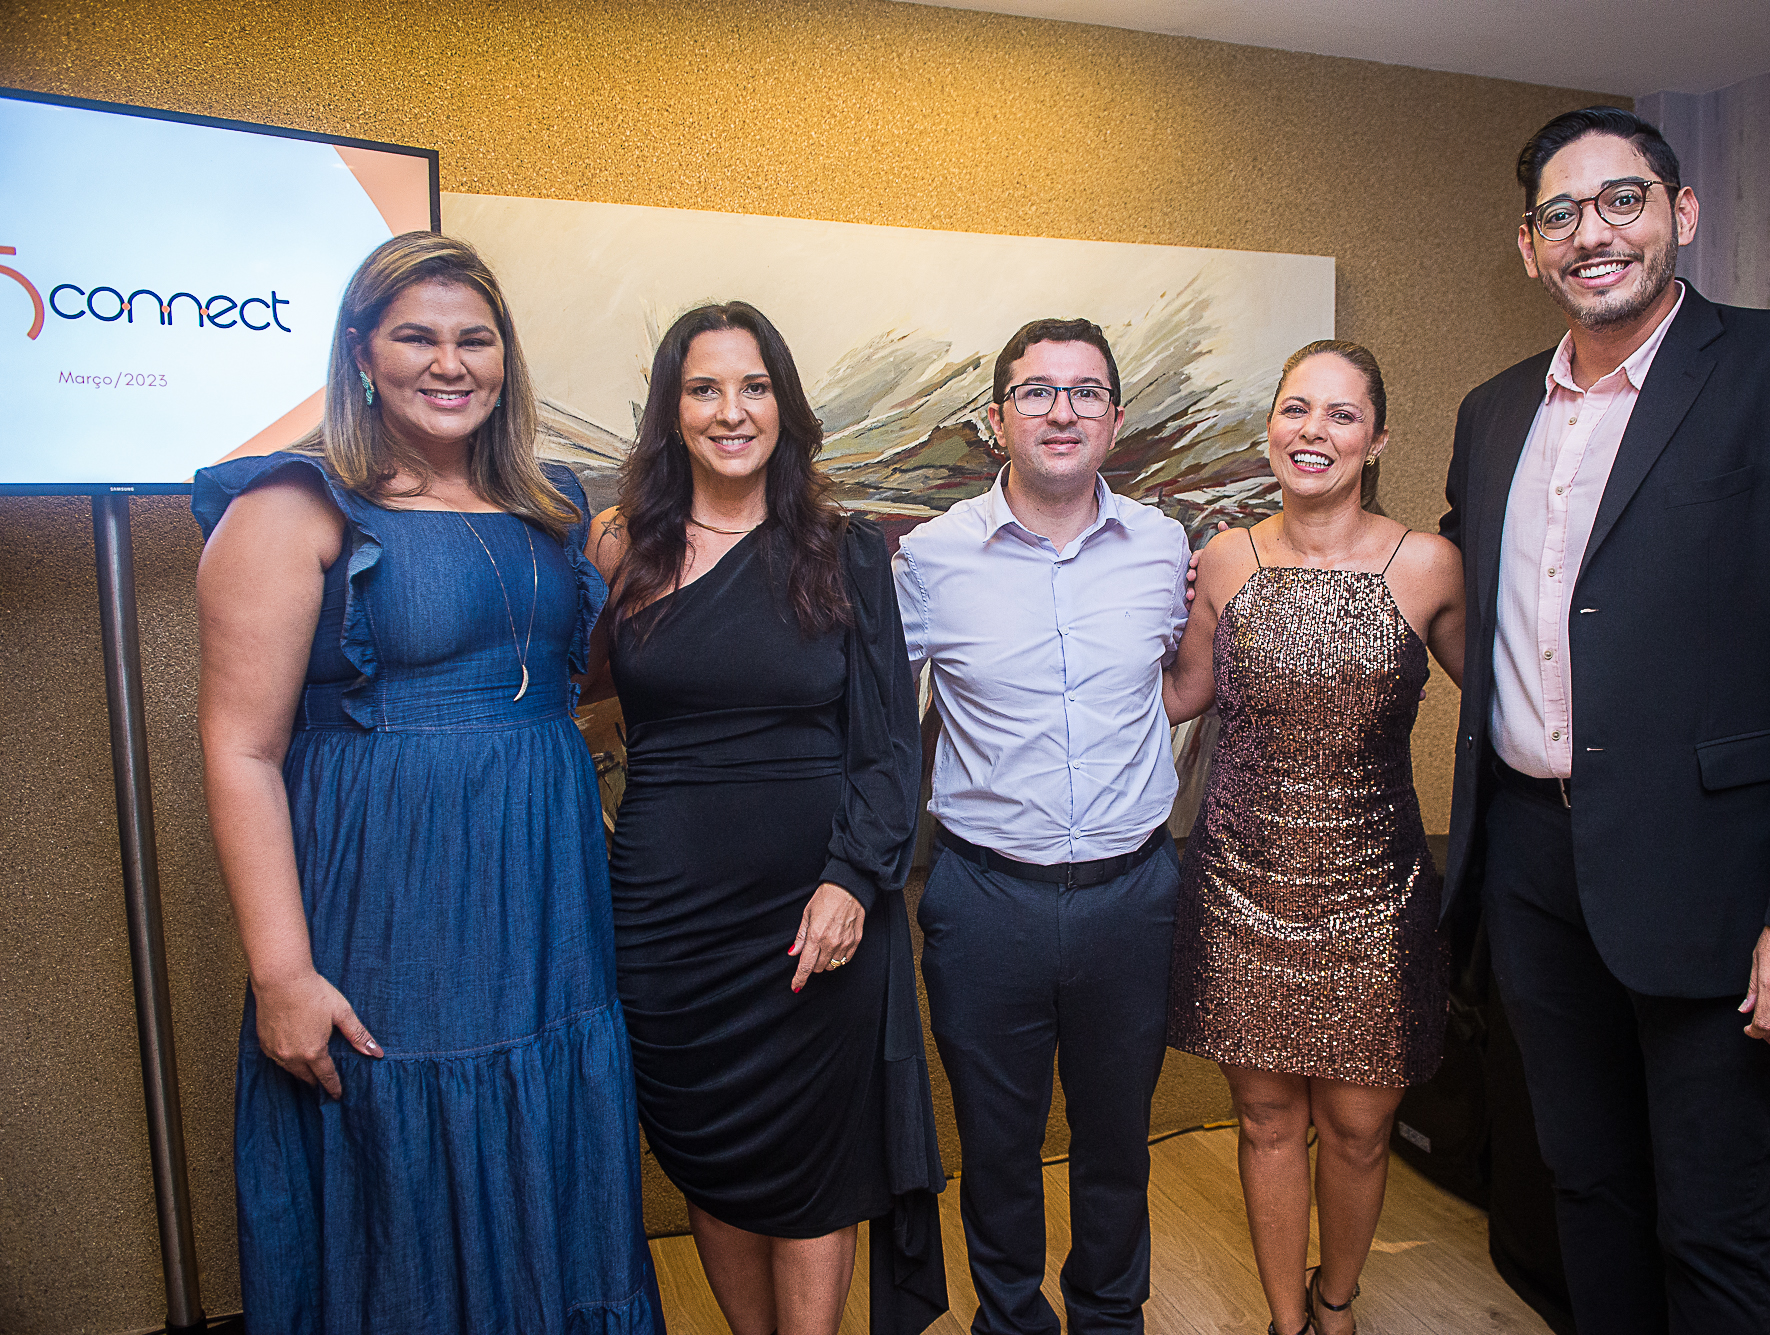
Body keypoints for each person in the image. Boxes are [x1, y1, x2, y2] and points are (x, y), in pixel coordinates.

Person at [1439, 106, 1770, 1334]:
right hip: (1531, 865)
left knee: (1710, 1216)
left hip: (1719, 875)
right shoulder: (1492, 412)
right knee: (1581, 1186)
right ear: (1526, 248)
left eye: (1622, 200)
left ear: (1680, 213)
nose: (1591, 233)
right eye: (1559, 214)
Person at [193, 232, 664, 1334]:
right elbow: (239, 751)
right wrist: (282, 974)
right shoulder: (294, 506)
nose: (449, 363)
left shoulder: (550, 503)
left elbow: (570, 682)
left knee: (546, 1119)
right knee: (405, 1134)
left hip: (544, 894)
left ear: (505, 356)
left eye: (474, 339)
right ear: (361, 353)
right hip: (391, 898)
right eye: (416, 337)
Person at [586, 301, 945, 1335]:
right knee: (709, 1146)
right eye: (703, 389)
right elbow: (557, 696)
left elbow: (889, 744)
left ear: (785, 405)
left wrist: (852, 879)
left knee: (812, 1157)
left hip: (814, 911)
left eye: (753, 387)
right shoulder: (622, 547)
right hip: (667, 919)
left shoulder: (843, 550)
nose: (730, 411)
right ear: (671, 410)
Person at [1162, 340, 1465, 1335]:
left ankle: (1337, 1304)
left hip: (1376, 896)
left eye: (1341, 414)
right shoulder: (1224, 558)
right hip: (1241, 887)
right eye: (1296, 409)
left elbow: (1517, 702)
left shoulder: (1427, 565)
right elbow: (1179, 694)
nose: (1313, 431)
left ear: (1377, 438)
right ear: (1270, 429)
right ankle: (1287, 1321)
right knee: (1265, 1120)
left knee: (1358, 1128)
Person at [894, 318, 1190, 1335]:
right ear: (996, 418)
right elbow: (873, 716)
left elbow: (1183, 682)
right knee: (997, 1145)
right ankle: (1010, 1319)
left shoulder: (1162, 548)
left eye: (1085, 391)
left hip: (1132, 895)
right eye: (1036, 391)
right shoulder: (930, 558)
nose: (1062, 411)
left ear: (1114, 417)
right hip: (985, 900)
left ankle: (1109, 1317)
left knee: (1116, 1142)